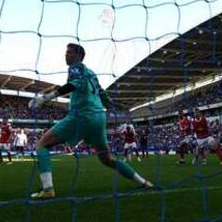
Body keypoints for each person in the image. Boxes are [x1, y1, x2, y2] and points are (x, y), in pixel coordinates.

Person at [28, 43, 153, 199]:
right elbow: (102, 93)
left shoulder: (75, 67)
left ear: (79, 56)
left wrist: (47, 98)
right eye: (66, 52)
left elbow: (74, 84)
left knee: (41, 145)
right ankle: (144, 182)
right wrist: (112, 107)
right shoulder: (92, 74)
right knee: (107, 159)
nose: (66, 55)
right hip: (99, 117)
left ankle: (48, 189)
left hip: (82, 116)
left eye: (70, 52)